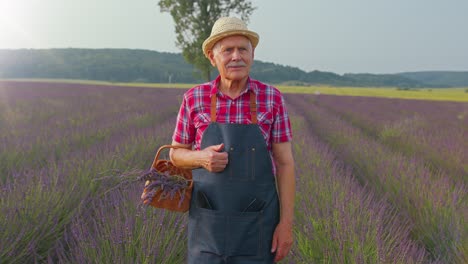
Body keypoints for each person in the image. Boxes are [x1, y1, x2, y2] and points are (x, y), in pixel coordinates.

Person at [169, 17, 296, 263]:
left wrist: (286, 225)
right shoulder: (194, 98)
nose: (236, 56)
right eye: (228, 50)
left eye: (243, 49)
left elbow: (285, 164)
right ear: (211, 56)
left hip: (259, 225)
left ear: (252, 54)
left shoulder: (272, 98)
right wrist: (201, 158)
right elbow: (175, 154)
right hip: (208, 224)